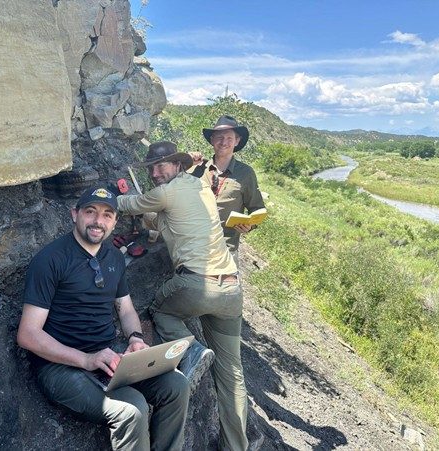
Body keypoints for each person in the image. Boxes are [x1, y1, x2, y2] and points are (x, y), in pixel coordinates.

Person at [17, 184, 190, 451]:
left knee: (176, 385)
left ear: (115, 222)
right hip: (60, 366)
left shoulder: (114, 258)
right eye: (90, 211)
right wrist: (86, 359)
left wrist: (135, 339)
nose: (98, 221)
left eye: (107, 215)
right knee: (133, 409)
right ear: (75, 214)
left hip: (107, 358)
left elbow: (126, 309)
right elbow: (28, 334)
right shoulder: (51, 259)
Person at [117, 142, 250, 451]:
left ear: (177, 165)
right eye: (151, 168)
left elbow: (129, 204)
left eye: (161, 165)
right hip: (231, 288)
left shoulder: (165, 193)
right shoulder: (200, 186)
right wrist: (153, 222)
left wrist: (109, 195)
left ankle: (192, 351)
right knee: (232, 373)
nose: (154, 172)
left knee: (161, 311)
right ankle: (236, 446)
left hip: (196, 286)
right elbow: (170, 218)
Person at [190, 115, 265, 264]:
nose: (224, 142)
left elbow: (257, 208)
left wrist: (250, 225)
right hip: (193, 241)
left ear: (237, 141)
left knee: (227, 279)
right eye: (219, 137)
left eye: (229, 138)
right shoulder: (197, 168)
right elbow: (172, 187)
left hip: (225, 247)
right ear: (212, 139)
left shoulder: (246, 173)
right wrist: (185, 161)